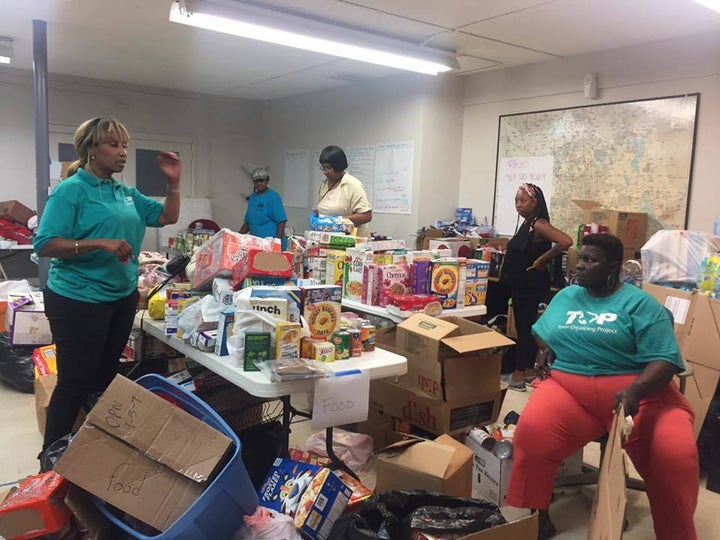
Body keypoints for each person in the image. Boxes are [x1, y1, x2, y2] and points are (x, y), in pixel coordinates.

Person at [506, 233, 698, 540]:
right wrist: (544, 348)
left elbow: (666, 359)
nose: (579, 266)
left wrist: (636, 390)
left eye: (590, 260)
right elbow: (541, 329)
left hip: (640, 396)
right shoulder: (567, 296)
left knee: (674, 456)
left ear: (614, 267)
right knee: (532, 432)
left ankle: (676, 533)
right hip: (569, 391)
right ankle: (536, 516)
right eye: (579, 259)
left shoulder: (640, 305)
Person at [33, 117, 182, 453]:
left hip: (120, 297)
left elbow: (165, 217)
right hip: (77, 299)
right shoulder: (71, 191)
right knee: (74, 382)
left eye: (125, 145)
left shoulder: (124, 193)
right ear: (91, 149)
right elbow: (44, 244)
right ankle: (52, 458)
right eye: (114, 144)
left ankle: (92, 451)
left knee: (104, 381)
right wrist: (100, 243)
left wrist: (173, 183)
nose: (123, 152)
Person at [500, 183, 572, 390]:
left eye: (523, 201)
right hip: (522, 284)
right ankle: (530, 372)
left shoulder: (539, 224)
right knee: (529, 329)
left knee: (525, 329)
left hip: (530, 285)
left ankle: (518, 375)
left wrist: (542, 259)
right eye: (516, 201)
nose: (518, 205)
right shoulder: (527, 224)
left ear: (535, 202)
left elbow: (566, 241)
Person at [315, 145, 372, 237]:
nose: (325, 172)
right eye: (323, 167)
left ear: (339, 166)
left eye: (329, 168)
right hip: (327, 239)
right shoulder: (324, 184)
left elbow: (366, 216)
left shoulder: (353, 185)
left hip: (350, 241)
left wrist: (337, 221)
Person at [239, 167, 288, 249]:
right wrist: (236, 237)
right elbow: (248, 222)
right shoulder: (252, 198)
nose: (259, 183)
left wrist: (277, 243)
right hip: (257, 244)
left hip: (271, 245)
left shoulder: (273, 196)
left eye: (261, 180)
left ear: (267, 181)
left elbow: (281, 221)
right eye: (256, 181)